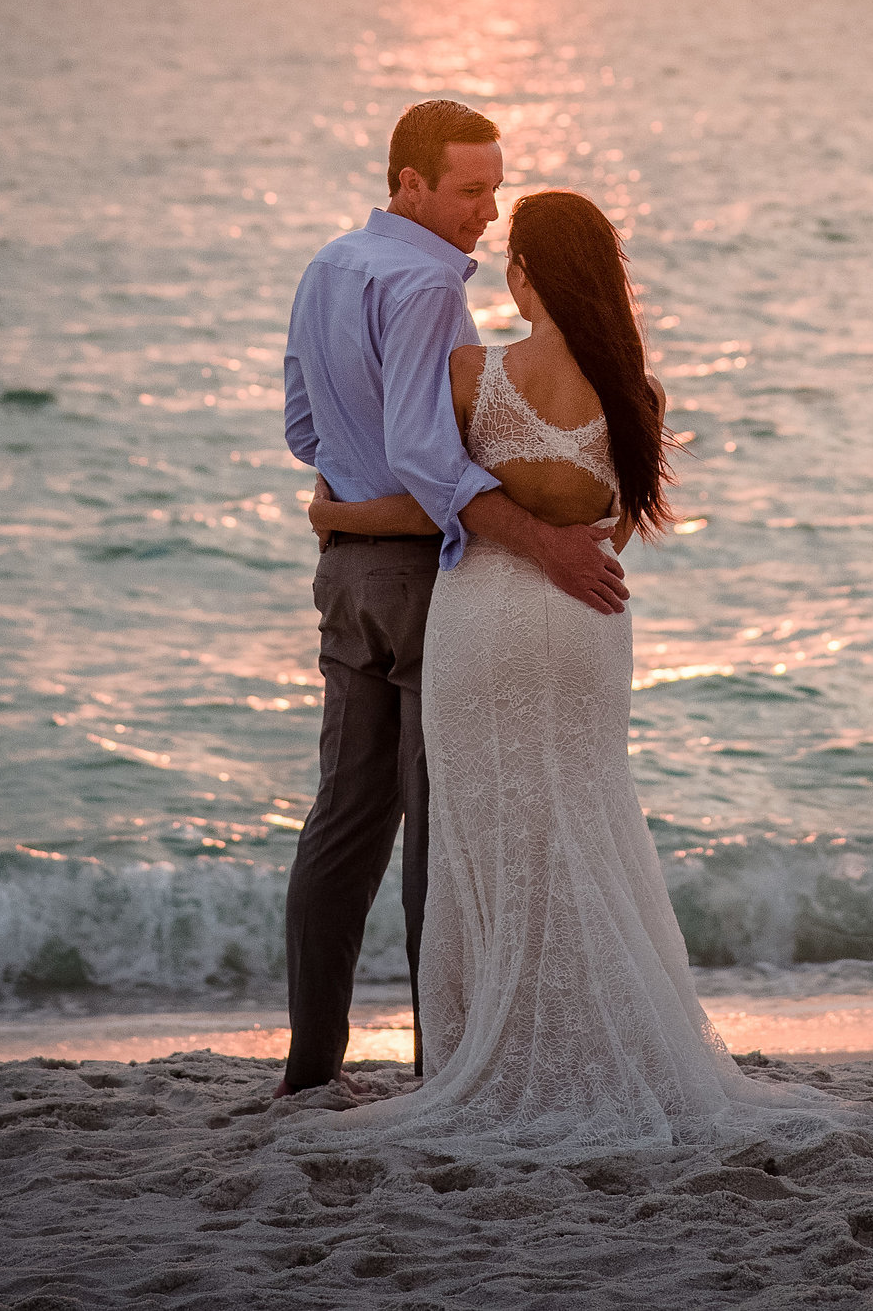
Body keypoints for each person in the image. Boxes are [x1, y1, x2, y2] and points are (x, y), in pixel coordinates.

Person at [306, 184, 815, 1152]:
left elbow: (432, 504)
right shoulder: (637, 394)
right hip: (587, 620)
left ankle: (489, 1053)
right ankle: (610, 1038)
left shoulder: (471, 373)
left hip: (482, 620)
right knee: (586, 818)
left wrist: (332, 513)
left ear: (526, 274)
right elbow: (607, 535)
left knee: (490, 832)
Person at [278, 102, 627, 1097]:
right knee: (441, 830)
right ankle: (445, 1073)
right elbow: (432, 456)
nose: (488, 211)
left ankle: (309, 1069)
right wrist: (547, 543)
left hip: (347, 575)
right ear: (409, 183)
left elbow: (303, 428)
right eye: (471, 189)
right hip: (426, 575)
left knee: (343, 822)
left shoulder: (329, 266)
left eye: (494, 187)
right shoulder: (430, 282)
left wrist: (340, 504)